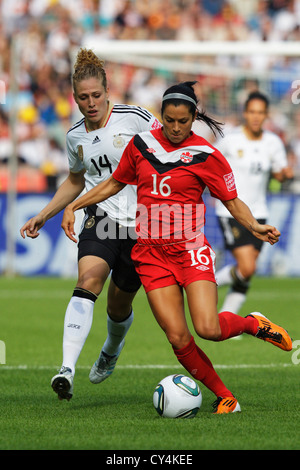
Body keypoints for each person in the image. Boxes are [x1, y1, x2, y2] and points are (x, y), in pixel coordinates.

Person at [60, 82, 292, 414]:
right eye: (169, 120)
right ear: (162, 116)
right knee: (178, 338)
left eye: (183, 121)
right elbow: (114, 183)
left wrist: (254, 225)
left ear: (194, 117)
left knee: (207, 328)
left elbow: (231, 200)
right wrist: (75, 205)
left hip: (189, 250)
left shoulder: (207, 155)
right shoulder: (141, 145)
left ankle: (253, 323)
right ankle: (226, 396)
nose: (176, 127)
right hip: (151, 255)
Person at [20, 48, 161, 401]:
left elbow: (168, 148)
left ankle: (112, 347)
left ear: (107, 90)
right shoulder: (75, 137)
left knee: (118, 306)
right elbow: (75, 180)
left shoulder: (136, 118)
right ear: (74, 98)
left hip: (141, 225)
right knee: (88, 280)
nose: (90, 103)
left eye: (96, 95)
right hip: (101, 218)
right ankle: (66, 368)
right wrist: (45, 214)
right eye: (83, 97)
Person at [214, 91, 293, 316]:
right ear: (245, 113)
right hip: (231, 211)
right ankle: (206, 284)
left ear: (266, 115)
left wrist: (285, 174)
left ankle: (226, 316)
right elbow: (210, 164)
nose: (256, 117)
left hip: (259, 212)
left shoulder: (273, 142)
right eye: (252, 112)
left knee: (246, 271)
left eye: (260, 113)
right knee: (248, 267)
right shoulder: (230, 140)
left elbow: (279, 174)